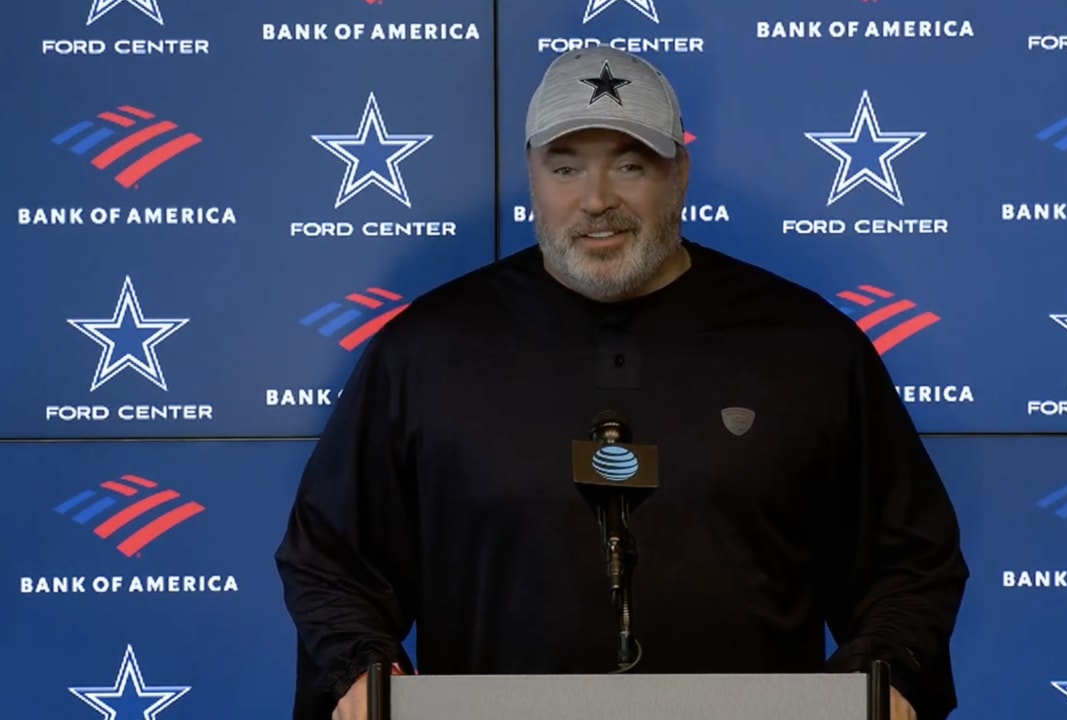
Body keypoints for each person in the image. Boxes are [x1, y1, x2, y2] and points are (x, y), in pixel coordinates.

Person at [274, 46, 969, 720]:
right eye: (566, 168)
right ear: (531, 175)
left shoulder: (807, 344)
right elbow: (333, 557)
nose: (596, 200)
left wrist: (883, 678)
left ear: (681, 172)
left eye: (630, 165)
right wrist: (364, 672)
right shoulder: (428, 347)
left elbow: (908, 558)